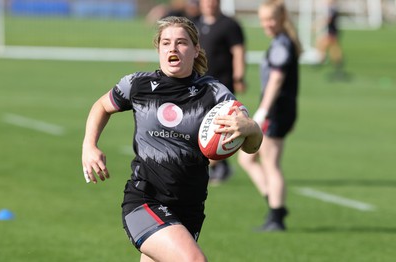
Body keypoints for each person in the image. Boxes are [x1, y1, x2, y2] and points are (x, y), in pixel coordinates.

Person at [81, 16, 262, 261]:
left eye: (181, 42)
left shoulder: (215, 94)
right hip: (145, 199)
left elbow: (252, 147)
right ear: (159, 48)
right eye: (166, 43)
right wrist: (89, 145)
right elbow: (101, 106)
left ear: (196, 49)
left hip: (189, 207)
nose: (173, 48)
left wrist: (251, 127)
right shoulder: (138, 84)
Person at [238, 0, 301, 232]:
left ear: (282, 18)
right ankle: (276, 205)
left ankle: (276, 216)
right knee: (247, 159)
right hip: (279, 111)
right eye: (263, 20)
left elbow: (276, 79)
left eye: (271, 19)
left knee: (270, 163)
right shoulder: (282, 41)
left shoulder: (282, 44)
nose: (267, 24)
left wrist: (263, 112)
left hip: (275, 112)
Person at [194, 0, 247, 184]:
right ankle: (219, 166)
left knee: (220, 126)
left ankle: (218, 166)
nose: (209, 4)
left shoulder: (229, 25)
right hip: (200, 85)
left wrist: (239, 76)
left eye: (213, 1)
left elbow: (238, 51)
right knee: (201, 125)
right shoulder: (196, 24)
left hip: (222, 85)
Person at [315, 0, 346, 80]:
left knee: (323, 45)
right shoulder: (332, 9)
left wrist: (318, 25)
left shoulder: (332, 9)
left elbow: (328, 20)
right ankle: (337, 64)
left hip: (332, 32)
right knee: (332, 49)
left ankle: (322, 61)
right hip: (333, 32)